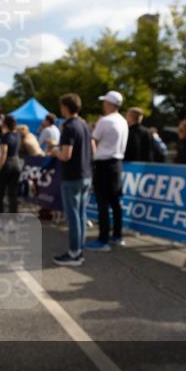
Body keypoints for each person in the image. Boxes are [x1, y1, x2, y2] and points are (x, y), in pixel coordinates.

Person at [50, 93, 93, 265]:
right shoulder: (83, 124)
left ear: (66, 107)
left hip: (73, 176)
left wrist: (54, 151)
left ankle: (74, 253)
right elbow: (93, 148)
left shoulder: (69, 127)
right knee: (81, 215)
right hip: (85, 174)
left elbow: (66, 155)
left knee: (73, 216)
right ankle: (78, 250)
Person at [86, 90, 128, 252]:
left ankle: (103, 240)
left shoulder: (105, 121)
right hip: (117, 164)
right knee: (115, 202)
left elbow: (93, 140)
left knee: (102, 203)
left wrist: (93, 158)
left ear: (109, 104)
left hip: (104, 165)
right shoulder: (123, 121)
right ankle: (117, 235)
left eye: (105, 102)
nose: (103, 105)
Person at [0, 115, 23, 214]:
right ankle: (13, 219)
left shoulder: (5, 136)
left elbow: (3, 154)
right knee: (13, 194)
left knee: (0, 192)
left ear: (5, 124)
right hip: (17, 163)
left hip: (7, 164)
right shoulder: (18, 135)